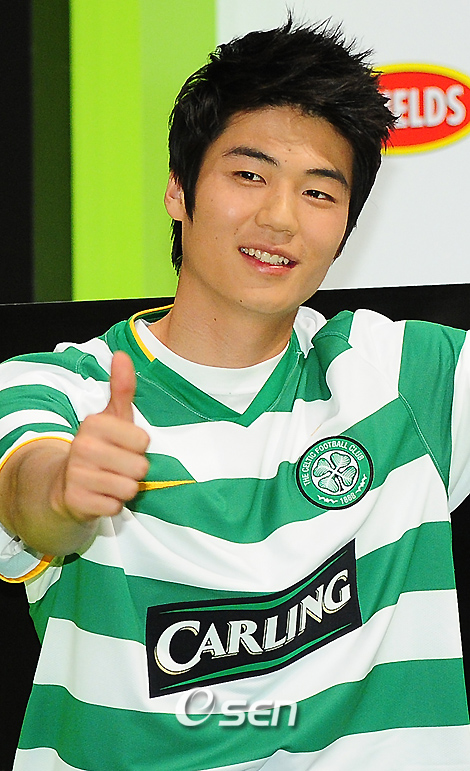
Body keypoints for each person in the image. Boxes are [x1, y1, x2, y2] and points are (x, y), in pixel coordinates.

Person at [0, 16, 469, 771]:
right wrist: (63, 489)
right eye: (249, 175)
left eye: (319, 191)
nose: (279, 217)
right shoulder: (58, 387)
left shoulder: (404, 374)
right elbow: (25, 494)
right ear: (178, 189)